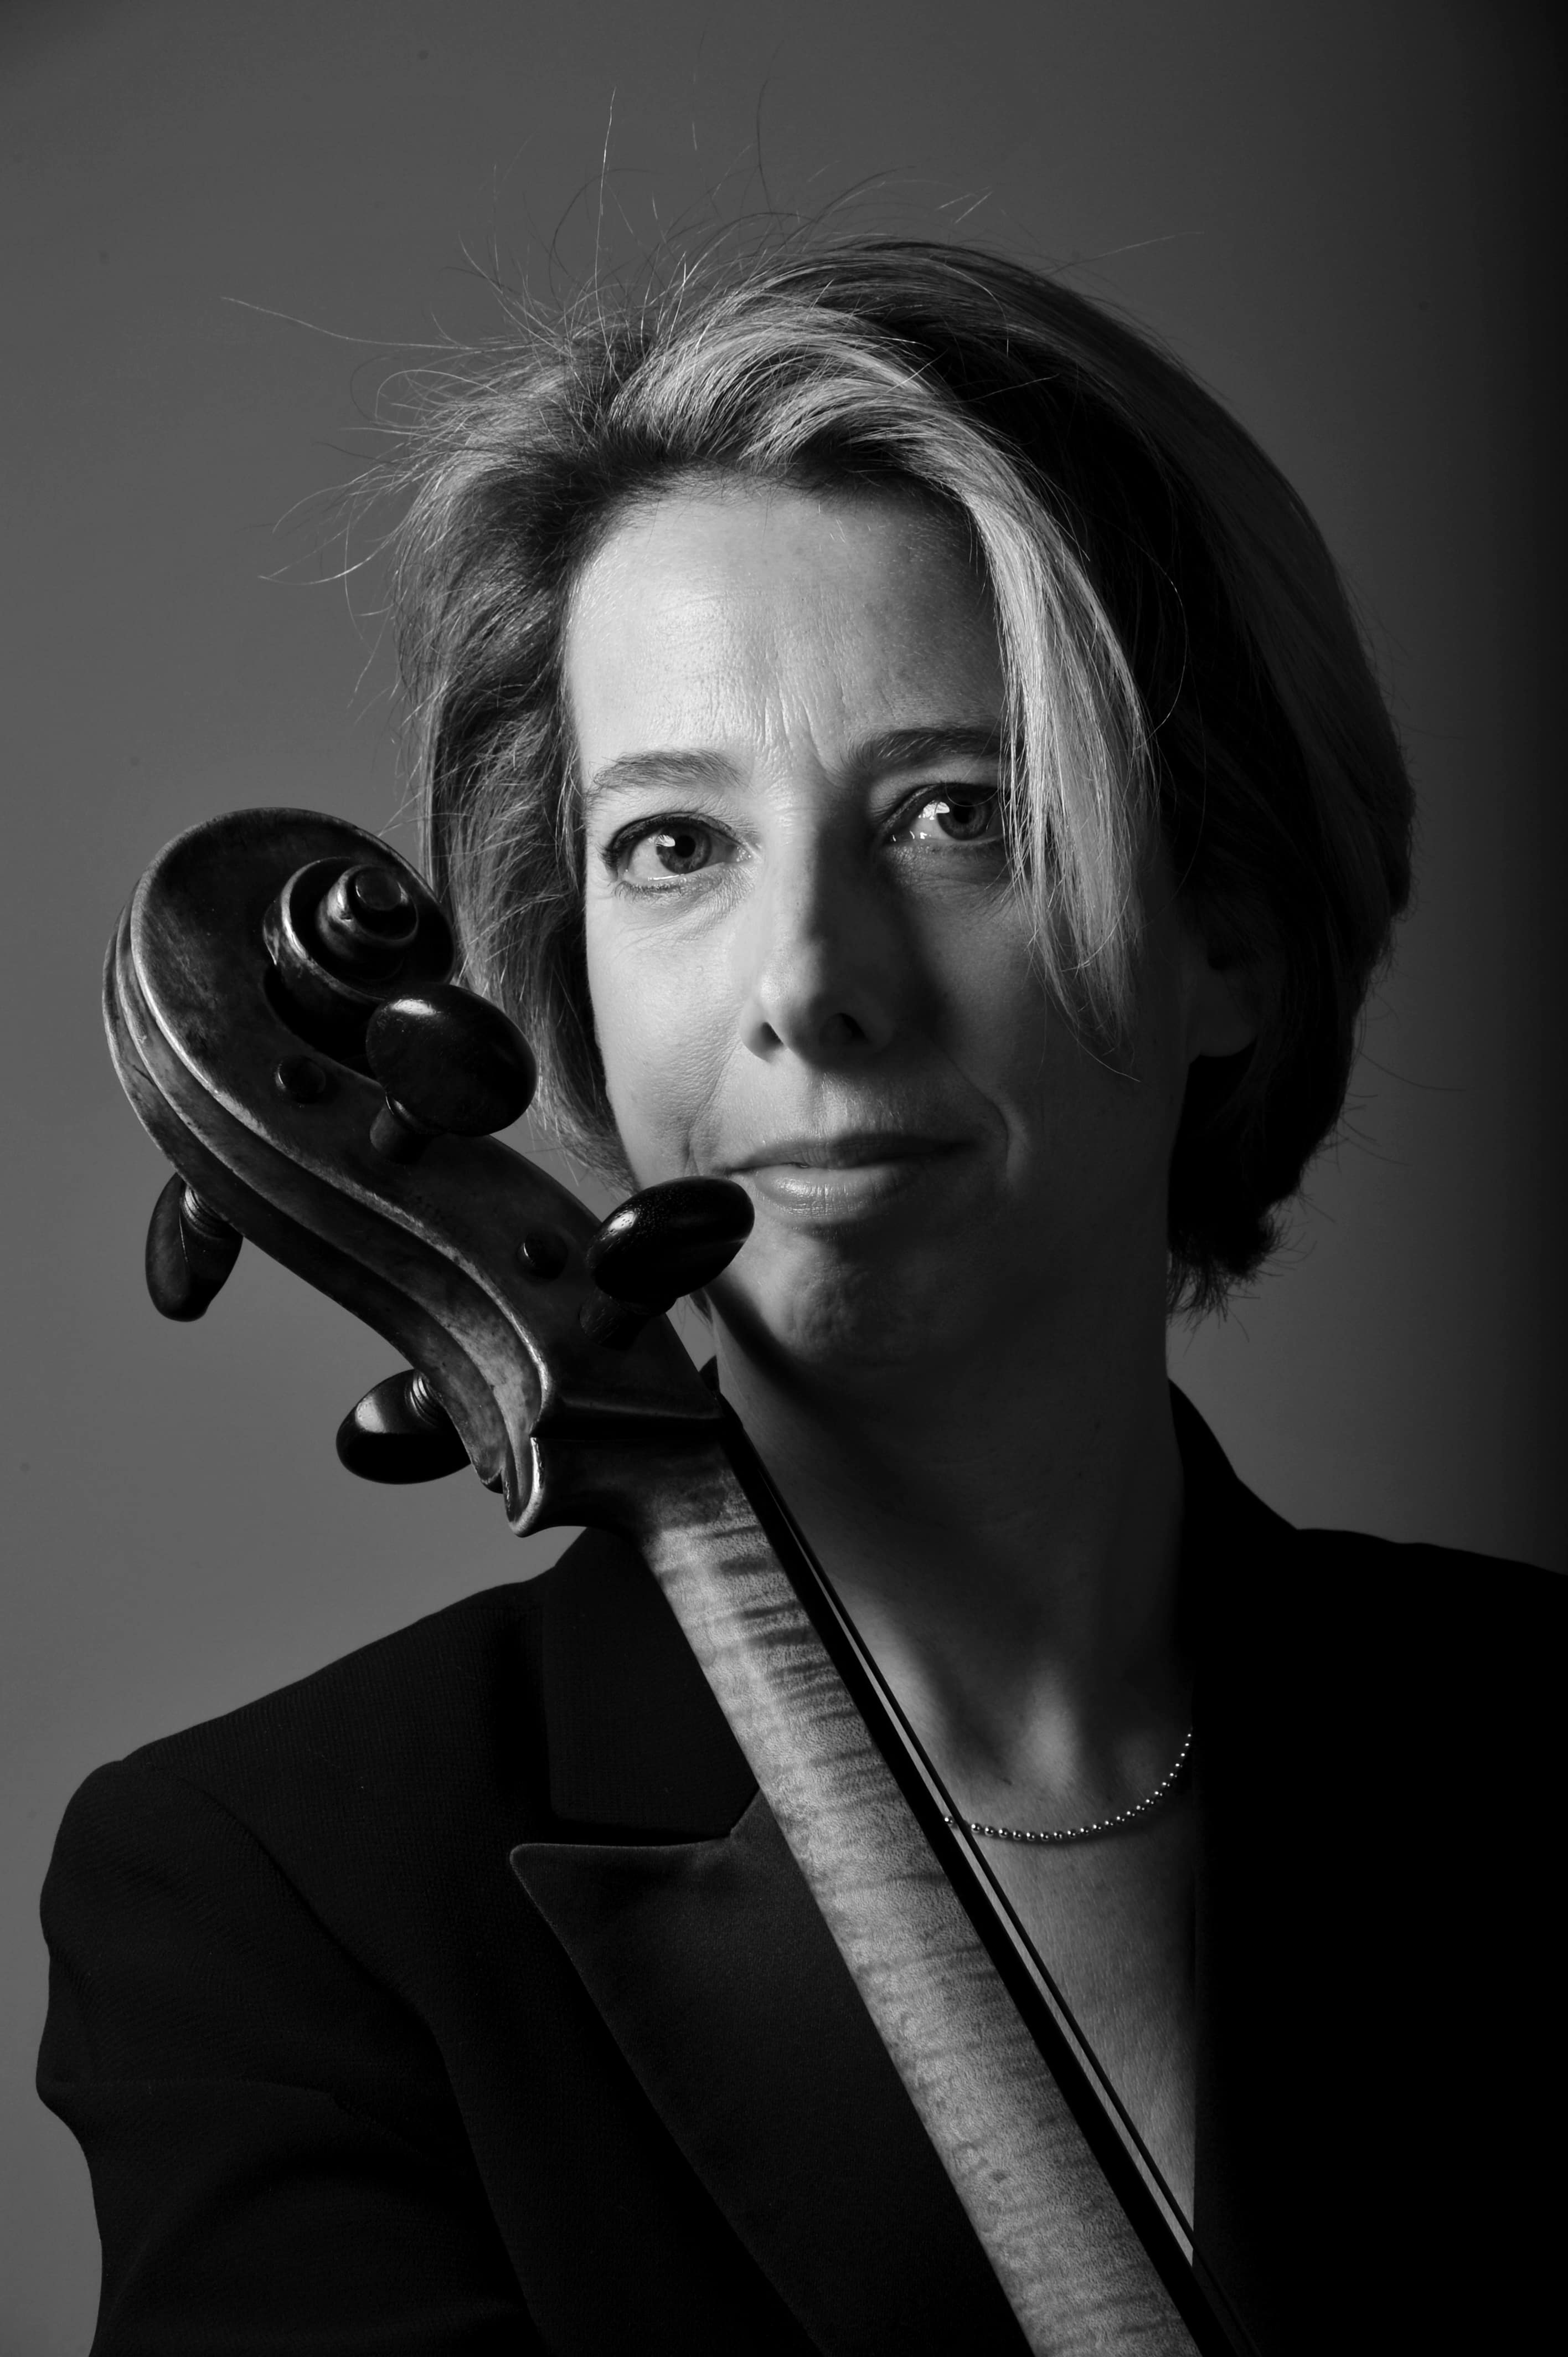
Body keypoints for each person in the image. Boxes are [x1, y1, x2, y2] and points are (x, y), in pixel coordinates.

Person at [39, 239, 1562, 2356]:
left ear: (1229, 934)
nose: (809, 989)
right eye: (675, 846)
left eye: (957, 814)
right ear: (564, 965)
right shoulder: (278, 1901)